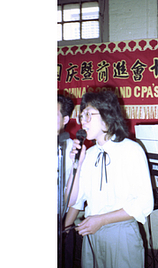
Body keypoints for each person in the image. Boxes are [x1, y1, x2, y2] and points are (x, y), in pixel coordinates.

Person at [64, 91, 154, 268]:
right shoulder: (88, 155)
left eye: (89, 114)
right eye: (82, 115)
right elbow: (71, 200)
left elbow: (145, 203)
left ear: (107, 116)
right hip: (91, 235)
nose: (83, 120)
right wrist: (78, 164)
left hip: (121, 234)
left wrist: (102, 220)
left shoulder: (131, 150)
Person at [58, 94, 81, 268]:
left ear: (65, 119)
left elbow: (78, 194)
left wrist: (64, 227)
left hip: (59, 224)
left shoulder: (72, 150)